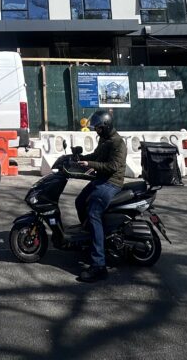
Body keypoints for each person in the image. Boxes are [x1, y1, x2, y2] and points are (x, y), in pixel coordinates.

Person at [74, 109, 126, 283]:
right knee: (80, 201)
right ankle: (90, 238)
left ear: (106, 126)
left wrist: (90, 163)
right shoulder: (104, 140)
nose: (96, 130)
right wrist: (80, 159)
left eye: (98, 128)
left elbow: (112, 166)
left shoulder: (118, 143)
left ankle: (99, 265)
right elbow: (96, 156)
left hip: (111, 183)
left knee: (93, 212)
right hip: (101, 180)